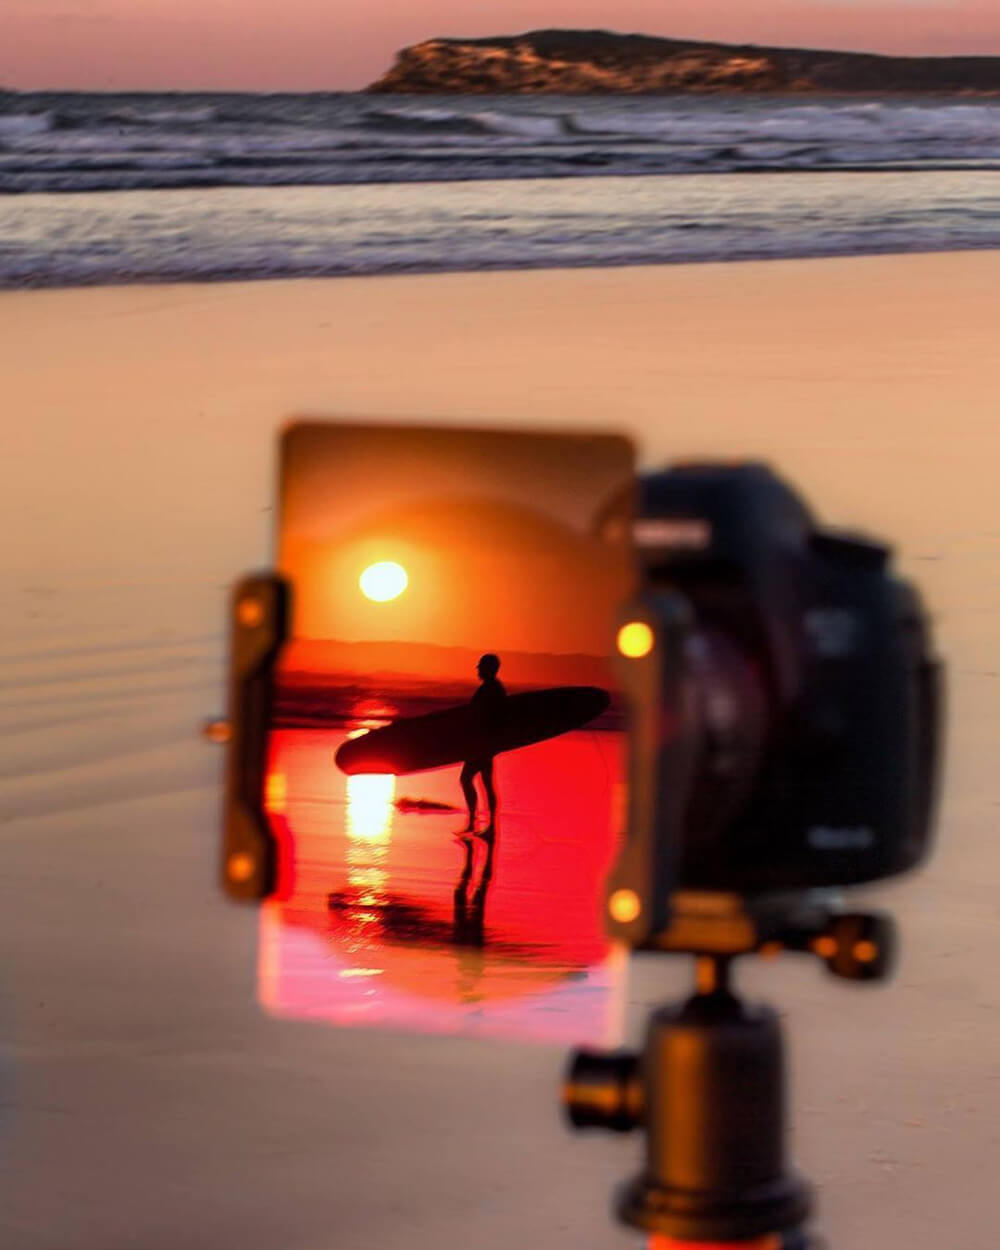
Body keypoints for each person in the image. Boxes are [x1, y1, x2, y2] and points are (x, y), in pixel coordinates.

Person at [457, 653, 506, 840]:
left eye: (481, 667)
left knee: (469, 779)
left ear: (488, 669)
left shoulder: (491, 689)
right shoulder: (492, 688)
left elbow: (490, 718)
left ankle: (478, 823)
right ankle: (486, 825)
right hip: (484, 744)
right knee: (483, 782)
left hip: (482, 745)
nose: (478, 670)